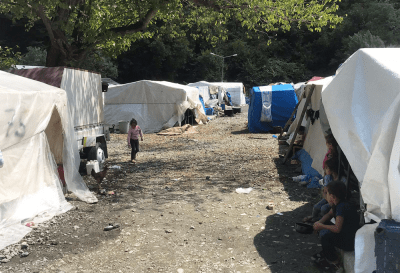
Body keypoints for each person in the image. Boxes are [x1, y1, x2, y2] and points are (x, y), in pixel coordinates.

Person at [312, 180, 360, 269]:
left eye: (327, 194)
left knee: (326, 238)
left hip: (349, 241)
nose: (325, 196)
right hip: (346, 234)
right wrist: (319, 223)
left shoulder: (341, 207)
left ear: (332, 196)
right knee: (324, 225)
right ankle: (328, 254)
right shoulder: (338, 203)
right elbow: (329, 214)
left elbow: (337, 228)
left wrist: (321, 226)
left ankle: (335, 263)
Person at [303, 158, 340, 222]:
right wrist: (327, 199)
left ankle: (321, 221)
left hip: (335, 200)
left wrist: (332, 201)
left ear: (332, 169)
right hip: (328, 198)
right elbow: (325, 191)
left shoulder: (340, 180)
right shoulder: (328, 177)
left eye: (327, 168)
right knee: (316, 207)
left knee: (324, 208)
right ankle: (314, 219)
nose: (325, 170)